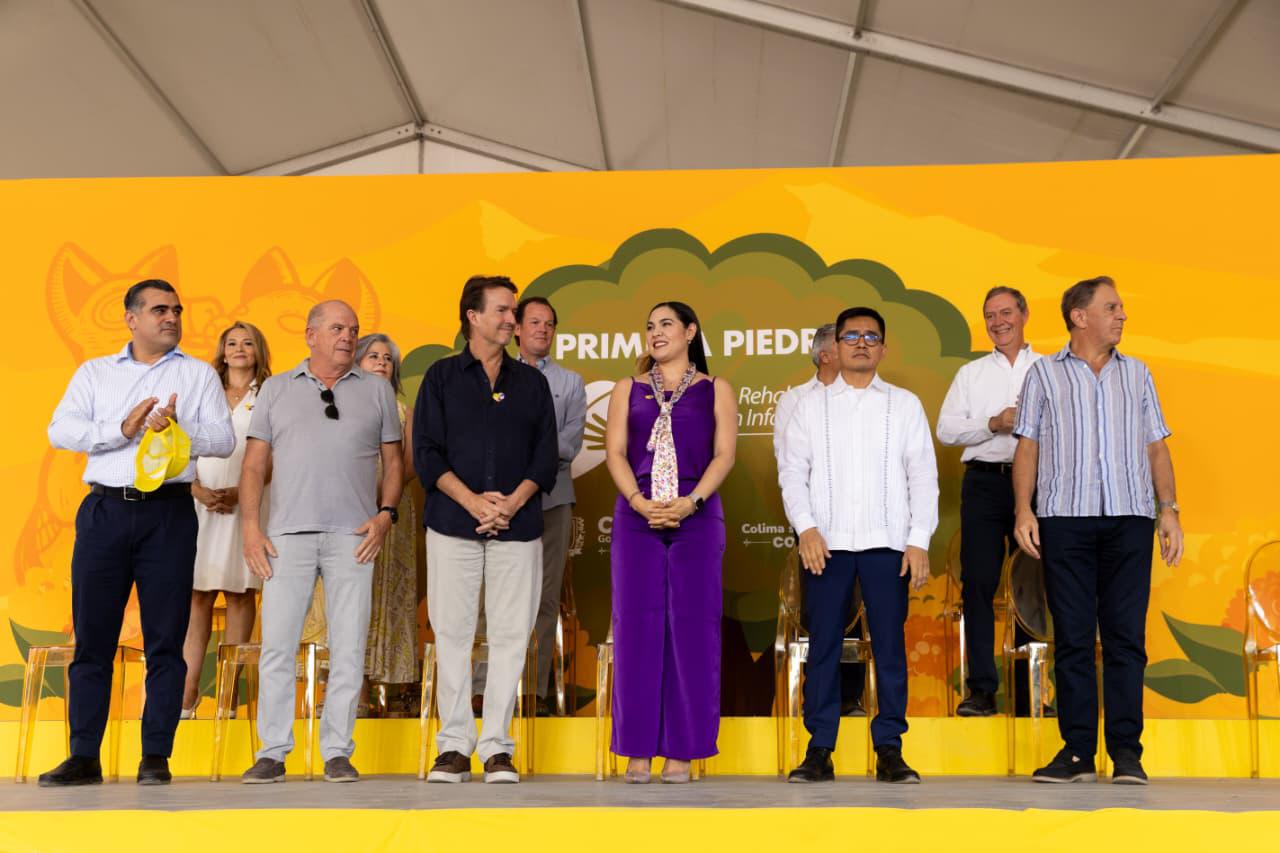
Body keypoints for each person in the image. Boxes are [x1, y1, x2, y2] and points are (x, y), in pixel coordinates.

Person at [43, 279, 234, 786]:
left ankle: (155, 756)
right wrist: (122, 430)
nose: (171, 318)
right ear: (131, 319)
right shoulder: (95, 373)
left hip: (169, 515)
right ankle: (84, 756)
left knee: (165, 640)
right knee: (93, 639)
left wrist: (177, 428)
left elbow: (223, 439)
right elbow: (60, 431)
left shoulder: (197, 374)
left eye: (177, 310)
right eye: (159, 310)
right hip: (104, 511)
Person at [1013, 276, 1182, 785]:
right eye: (1112, 307)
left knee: (1127, 638)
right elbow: (1028, 446)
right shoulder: (1044, 374)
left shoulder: (1138, 374)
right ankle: (1078, 753)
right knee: (1073, 639)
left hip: (1130, 518)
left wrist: (1169, 510)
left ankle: (1127, 754)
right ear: (1079, 316)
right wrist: (1023, 510)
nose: (1122, 315)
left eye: (1121, 307)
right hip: (1064, 519)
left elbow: (1156, 446)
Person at [239, 300, 403, 784]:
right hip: (285, 537)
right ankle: (272, 752)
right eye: (336, 328)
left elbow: (395, 463)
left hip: (354, 537)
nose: (347, 337)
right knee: (277, 647)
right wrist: (250, 527)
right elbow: (253, 465)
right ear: (311, 335)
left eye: (352, 329)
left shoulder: (376, 390)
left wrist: (386, 516)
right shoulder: (276, 388)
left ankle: (337, 752)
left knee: (348, 648)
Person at [779, 306, 937, 784]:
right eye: (851, 336)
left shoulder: (904, 405)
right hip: (826, 545)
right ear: (835, 347)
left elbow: (922, 476)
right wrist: (806, 528)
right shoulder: (810, 406)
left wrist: (918, 540)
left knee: (889, 648)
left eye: (871, 336)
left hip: (888, 545)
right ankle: (819, 749)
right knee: (823, 647)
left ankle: (890, 748)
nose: (861, 343)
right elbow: (793, 473)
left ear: (883, 349)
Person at [415, 276, 557, 784]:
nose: (511, 319)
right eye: (501, 310)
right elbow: (426, 453)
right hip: (453, 524)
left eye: (513, 311)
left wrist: (511, 503)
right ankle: (454, 746)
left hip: (518, 529)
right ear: (472, 317)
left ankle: (497, 747)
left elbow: (546, 456)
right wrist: (474, 501)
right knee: (452, 634)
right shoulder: (440, 377)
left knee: (511, 636)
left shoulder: (532, 383)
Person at [604, 301, 737, 784]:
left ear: (690, 331)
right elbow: (615, 452)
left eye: (666, 324)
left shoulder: (716, 388)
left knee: (693, 632)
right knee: (636, 631)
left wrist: (691, 502)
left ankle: (684, 749)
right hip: (637, 514)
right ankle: (637, 749)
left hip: (696, 515)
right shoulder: (628, 388)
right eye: (649, 326)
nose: (656, 333)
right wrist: (639, 502)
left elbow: (724, 455)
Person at [473, 296, 587, 716]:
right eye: (534, 322)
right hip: (494, 502)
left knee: (544, 596)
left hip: (551, 501)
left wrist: (517, 447)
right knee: (491, 596)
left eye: (550, 323)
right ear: (517, 328)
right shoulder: (492, 372)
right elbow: (480, 438)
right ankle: (483, 688)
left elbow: (568, 446)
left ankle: (532, 691)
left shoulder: (570, 383)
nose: (543, 329)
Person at [936, 287, 1042, 716]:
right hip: (983, 483)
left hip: (1039, 486)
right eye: (990, 316)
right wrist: (992, 423)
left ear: (1024, 314)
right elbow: (946, 430)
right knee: (978, 583)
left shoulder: (1049, 368)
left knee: (1033, 585)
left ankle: (1030, 693)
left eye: (1006, 313)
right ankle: (981, 690)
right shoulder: (971, 374)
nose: (998, 322)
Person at [180, 322, 273, 718]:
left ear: (259, 350)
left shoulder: (270, 394)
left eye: (247, 342)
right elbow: (178, 445)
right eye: (231, 343)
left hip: (247, 506)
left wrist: (243, 492)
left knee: (240, 593)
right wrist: (196, 488)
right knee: (197, 595)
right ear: (222, 350)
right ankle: (186, 696)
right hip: (200, 503)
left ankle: (228, 698)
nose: (238, 349)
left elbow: (277, 451)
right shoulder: (203, 391)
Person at [774, 324, 866, 717]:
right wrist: (808, 522)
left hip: (863, 517)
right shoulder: (795, 401)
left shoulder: (867, 397)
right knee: (821, 609)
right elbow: (789, 464)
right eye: (846, 343)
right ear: (826, 355)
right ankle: (819, 699)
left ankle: (850, 696)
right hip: (814, 521)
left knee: (858, 606)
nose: (857, 348)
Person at [356, 333, 419, 705]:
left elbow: (410, 464)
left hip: (391, 512)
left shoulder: (404, 410)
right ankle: (354, 690)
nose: (381, 362)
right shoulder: (340, 403)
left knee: (387, 593)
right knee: (351, 595)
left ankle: (388, 690)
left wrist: (384, 495)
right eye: (372, 356)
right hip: (350, 508)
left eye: (387, 358)